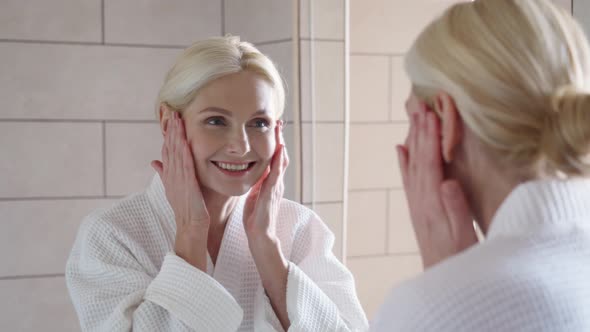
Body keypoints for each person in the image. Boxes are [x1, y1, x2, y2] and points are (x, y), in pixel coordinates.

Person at [65, 36, 368, 332]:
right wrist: (190, 232)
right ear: (170, 122)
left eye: (259, 123)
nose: (241, 145)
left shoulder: (300, 228)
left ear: (278, 131)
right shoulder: (113, 235)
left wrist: (268, 248)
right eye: (216, 121)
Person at [372, 0, 590, 330]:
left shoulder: (427, 308)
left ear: (445, 121)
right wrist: (455, 272)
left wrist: (444, 283)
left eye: (411, 116)